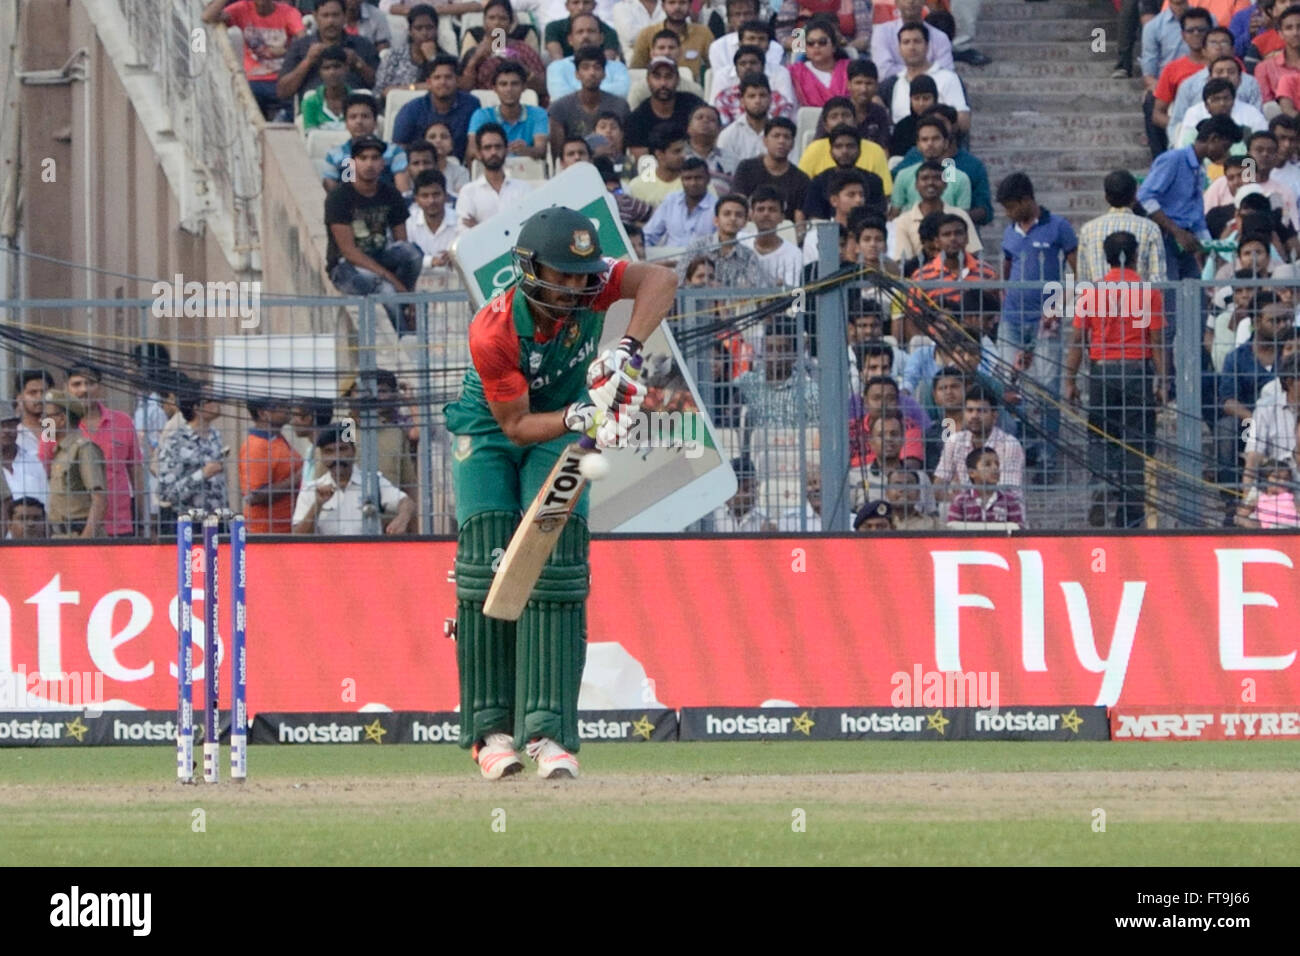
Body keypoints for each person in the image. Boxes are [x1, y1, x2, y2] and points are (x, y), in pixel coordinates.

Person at [442, 206, 677, 779]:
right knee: (486, 563)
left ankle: (549, 735)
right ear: (529, 270)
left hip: (566, 427)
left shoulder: (590, 292)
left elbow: (661, 278)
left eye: (584, 276)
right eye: (563, 276)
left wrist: (625, 350)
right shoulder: (493, 329)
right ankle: (489, 732)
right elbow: (517, 426)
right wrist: (582, 410)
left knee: (556, 565)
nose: (576, 289)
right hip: (493, 429)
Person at [1064, 231, 1167, 528]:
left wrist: (1070, 379)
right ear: (1134, 256)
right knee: (1136, 441)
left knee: (1100, 435)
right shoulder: (1148, 292)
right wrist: (1162, 382)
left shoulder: (1092, 291)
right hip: (1137, 368)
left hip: (1102, 369)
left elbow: (1077, 340)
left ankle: (1102, 485)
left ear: (1106, 257)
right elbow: (1158, 341)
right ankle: (1132, 513)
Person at [325, 135, 425, 331]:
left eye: (374, 158)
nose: (369, 164)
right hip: (346, 268)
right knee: (386, 289)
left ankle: (406, 303)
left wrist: (405, 289)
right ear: (353, 163)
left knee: (412, 253)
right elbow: (349, 252)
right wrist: (394, 281)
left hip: (379, 256)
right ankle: (404, 336)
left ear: (382, 163)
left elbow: (401, 241)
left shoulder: (390, 194)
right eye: (363, 158)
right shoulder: (338, 198)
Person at [1138, 114, 1241, 279]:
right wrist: (1176, 231)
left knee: (1193, 295)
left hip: (1187, 241)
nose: (1226, 152)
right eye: (1225, 146)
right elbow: (1144, 197)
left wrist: (1208, 247)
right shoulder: (1173, 159)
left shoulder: (1199, 169)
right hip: (1164, 238)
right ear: (1213, 139)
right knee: (1171, 295)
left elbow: (1196, 214)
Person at [65, 361, 143, 537]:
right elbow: (44, 465)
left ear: (99, 387)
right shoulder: (52, 424)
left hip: (119, 525)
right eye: (77, 384)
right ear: (66, 388)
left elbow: (136, 472)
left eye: (90, 383)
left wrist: (144, 520)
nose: (84, 389)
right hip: (73, 525)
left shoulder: (123, 421)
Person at [292, 426, 415, 534]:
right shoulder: (311, 490)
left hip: (367, 557)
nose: (337, 457)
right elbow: (297, 537)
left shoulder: (372, 482)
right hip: (328, 559)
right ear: (322, 456)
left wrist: (402, 519)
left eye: (342, 449)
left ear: (353, 451)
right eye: (329, 451)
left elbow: (406, 502)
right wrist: (317, 505)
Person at [201, 0, 304, 120]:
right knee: (242, 106)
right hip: (252, 81)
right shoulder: (242, 8)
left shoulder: (288, 12)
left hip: (282, 81)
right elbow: (207, 17)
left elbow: (304, 40)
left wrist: (287, 51)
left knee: (294, 108)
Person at [275, 0, 377, 102]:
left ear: (344, 16)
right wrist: (307, 62)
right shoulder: (300, 47)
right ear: (315, 16)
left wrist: (358, 64)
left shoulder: (363, 44)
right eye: (325, 15)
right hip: (313, 112)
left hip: (355, 112)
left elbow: (378, 85)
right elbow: (282, 92)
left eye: (335, 15)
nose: (330, 21)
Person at [1077, 169, 1168, 283]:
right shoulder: (1150, 229)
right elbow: (1158, 280)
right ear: (1135, 196)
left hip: (1100, 299)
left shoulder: (1088, 230)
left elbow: (1084, 280)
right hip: (1139, 299)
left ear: (1106, 197)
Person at [157, 389, 229, 529]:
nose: (217, 403)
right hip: (189, 522)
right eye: (211, 400)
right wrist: (202, 474)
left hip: (217, 520)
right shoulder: (176, 442)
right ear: (197, 407)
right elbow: (166, 493)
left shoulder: (215, 436)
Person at [42, 391, 108, 539]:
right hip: (60, 536)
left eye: (47, 417)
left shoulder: (84, 449)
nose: (42, 422)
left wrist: (85, 541)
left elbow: (99, 499)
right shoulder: (60, 452)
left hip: (79, 534)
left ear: (61, 419)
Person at [391, 56, 482, 159]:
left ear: (457, 80)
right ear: (429, 83)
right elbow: (398, 148)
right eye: (437, 77)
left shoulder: (471, 105)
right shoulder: (411, 110)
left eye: (448, 77)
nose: (443, 82)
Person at [322, 92, 411, 193]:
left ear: (375, 122)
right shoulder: (334, 155)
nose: (359, 122)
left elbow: (403, 190)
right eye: (353, 117)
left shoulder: (394, 151)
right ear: (346, 124)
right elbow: (332, 192)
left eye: (365, 116)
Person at [239, 397, 304, 533]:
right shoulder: (256, 446)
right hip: (265, 533)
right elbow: (255, 496)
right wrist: (297, 479)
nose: (287, 408)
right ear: (263, 413)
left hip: (285, 529)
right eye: (280, 405)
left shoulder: (276, 438)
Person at [730, 117, 811, 222]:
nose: (781, 141)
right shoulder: (746, 168)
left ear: (792, 144)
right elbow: (739, 205)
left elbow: (799, 219)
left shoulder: (801, 179)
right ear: (765, 141)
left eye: (786, 137)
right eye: (776, 136)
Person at [466, 61, 549, 162]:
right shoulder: (481, 115)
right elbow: (472, 150)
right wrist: (498, 153)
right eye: (503, 84)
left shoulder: (538, 114)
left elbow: (541, 150)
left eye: (515, 84)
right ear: (494, 88)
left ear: (524, 87)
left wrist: (527, 150)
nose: (509, 89)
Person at [459, 0, 546, 95]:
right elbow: (463, 90)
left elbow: (543, 88)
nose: (497, 23)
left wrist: (521, 67)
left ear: (511, 24)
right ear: (484, 22)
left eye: (503, 18)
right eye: (491, 18)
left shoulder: (523, 50)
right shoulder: (473, 53)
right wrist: (475, 60)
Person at [548, 14, 631, 99]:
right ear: (570, 40)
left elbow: (622, 93)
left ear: (601, 38)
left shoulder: (617, 67)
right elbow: (560, 97)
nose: (585, 36)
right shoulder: (557, 67)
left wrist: (581, 91)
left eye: (591, 31)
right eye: (580, 32)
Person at [375, 4, 447, 96]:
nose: (424, 33)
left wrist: (432, 59)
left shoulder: (446, 60)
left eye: (429, 28)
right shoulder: (393, 56)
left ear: (436, 30)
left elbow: (448, 87)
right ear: (410, 31)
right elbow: (380, 92)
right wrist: (416, 87)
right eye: (418, 28)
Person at [642, 156, 716, 244]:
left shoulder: (716, 206)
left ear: (708, 179)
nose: (693, 183)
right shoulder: (671, 200)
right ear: (681, 179)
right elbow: (649, 235)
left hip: (702, 257)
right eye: (688, 178)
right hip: (669, 256)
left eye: (698, 178)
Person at [946, 447, 1026, 527]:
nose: (995, 468)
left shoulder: (1009, 500)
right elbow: (952, 529)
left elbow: (1018, 531)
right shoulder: (961, 501)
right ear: (972, 473)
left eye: (997, 464)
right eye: (987, 464)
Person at [786, 15, 851, 107]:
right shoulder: (795, 73)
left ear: (833, 46)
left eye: (822, 42)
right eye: (810, 43)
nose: (816, 46)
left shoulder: (849, 69)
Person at [299, 46, 352, 131]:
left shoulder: (359, 102)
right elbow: (312, 138)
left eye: (337, 67)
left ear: (346, 68)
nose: (332, 72)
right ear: (319, 72)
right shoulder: (310, 102)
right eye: (326, 68)